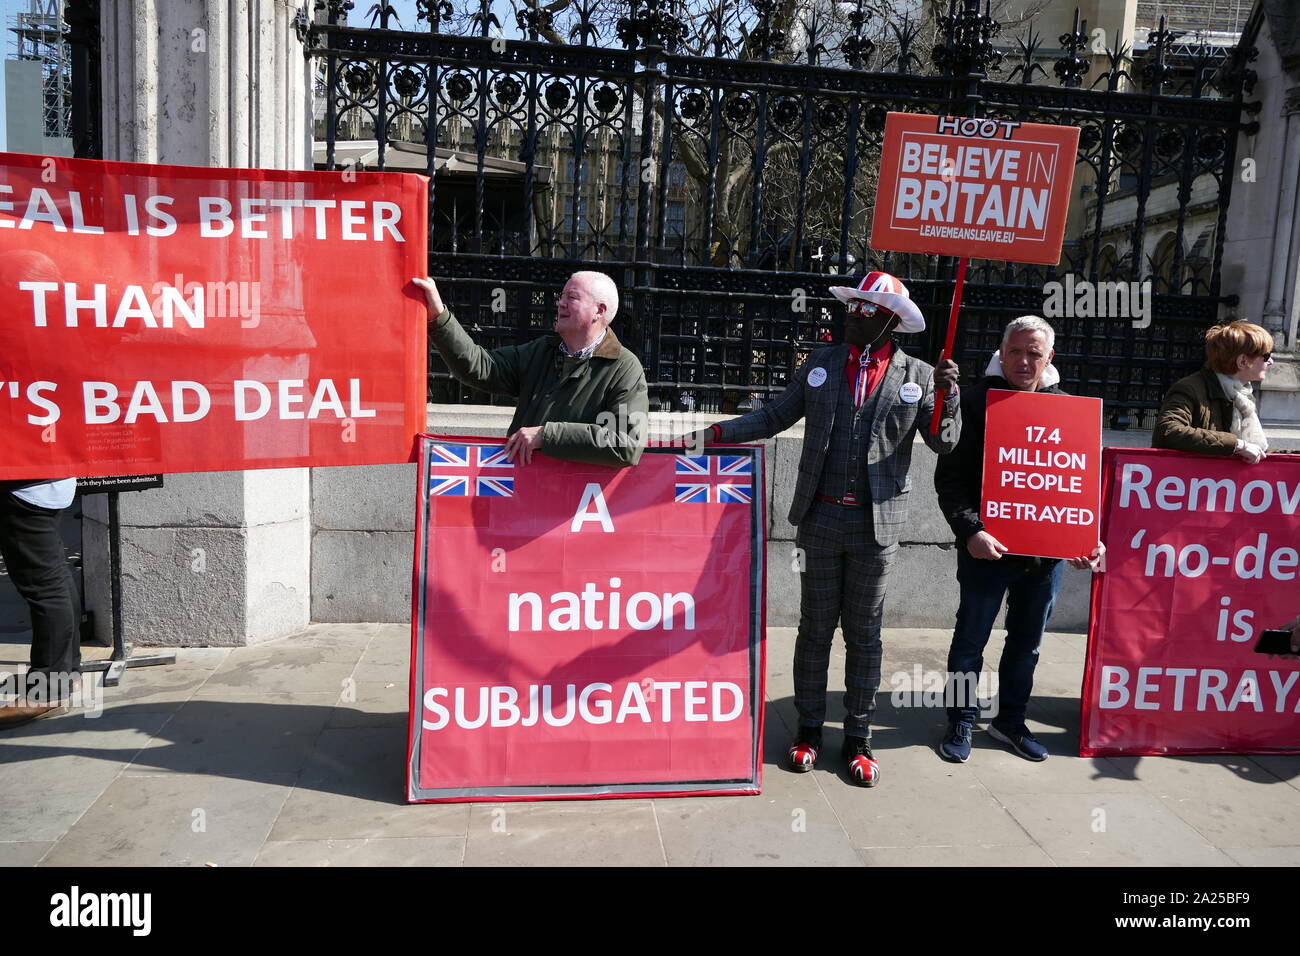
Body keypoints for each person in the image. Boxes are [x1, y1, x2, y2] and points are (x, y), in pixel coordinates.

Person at [695, 271, 961, 786]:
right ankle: (809, 730)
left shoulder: (920, 375)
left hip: (875, 526)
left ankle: (859, 737)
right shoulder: (819, 364)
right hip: (819, 518)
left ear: (890, 321)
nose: (852, 315)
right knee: (814, 629)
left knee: (865, 633)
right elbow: (772, 417)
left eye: (865, 309)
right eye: (852, 306)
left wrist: (950, 396)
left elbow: (944, 444)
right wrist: (713, 434)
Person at [934, 316, 1103, 763]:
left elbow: (1077, 484)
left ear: (1049, 358)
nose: (1024, 361)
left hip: (1044, 559)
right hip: (986, 550)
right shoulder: (974, 403)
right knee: (970, 640)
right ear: (1001, 352)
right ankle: (961, 719)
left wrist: (1087, 538)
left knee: (1027, 643)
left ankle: (1009, 721)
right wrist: (970, 530)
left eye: (1034, 353)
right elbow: (951, 480)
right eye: (1016, 351)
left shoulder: (1069, 409)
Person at [411, 271, 647, 468]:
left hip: (578, 509)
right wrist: (438, 316)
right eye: (562, 296)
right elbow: (479, 367)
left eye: (572, 297)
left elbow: (625, 443)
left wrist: (546, 435)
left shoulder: (624, 368)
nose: (560, 303)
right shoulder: (540, 351)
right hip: (522, 497)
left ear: (599, 311)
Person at [0, 477, 81, 729]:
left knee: (44, 586)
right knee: (54, 577)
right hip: (41, 483)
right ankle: (65, 673)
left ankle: (47, 691)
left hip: (22, 487)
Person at [1153, 320, 1274, 463]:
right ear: (1243, 361)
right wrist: (1237, 445)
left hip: (1220, 482)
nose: (1271, 361)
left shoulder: (1243, 396)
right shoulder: (1190, 388)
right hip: (1187, 481)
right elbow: (1168, 431)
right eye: (1266, 356)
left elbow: (1256, 450)